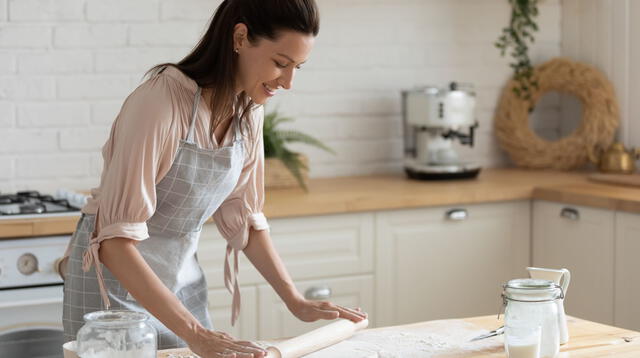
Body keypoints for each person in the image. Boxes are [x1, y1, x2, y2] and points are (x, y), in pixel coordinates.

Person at [59, 0, 367, 357]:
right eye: (280, 64)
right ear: (240, 37)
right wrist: (196, 333)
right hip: (113, 288)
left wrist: (295, 301)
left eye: (298, 67)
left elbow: (245, 219)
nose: (288, 82)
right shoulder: (161, 102)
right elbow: (114, 242)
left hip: (180, 278)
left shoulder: (248, 112)